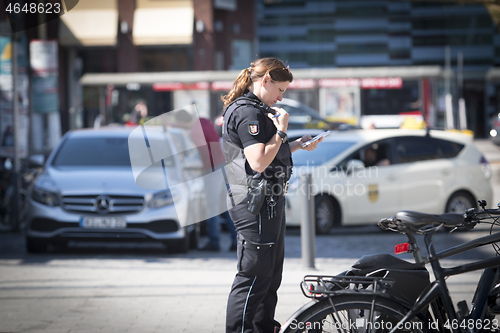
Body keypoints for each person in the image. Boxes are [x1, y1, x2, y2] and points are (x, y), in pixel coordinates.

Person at [221, 57, 322, 333]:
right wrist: (281, 131)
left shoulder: (255, 109)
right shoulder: (247, 112)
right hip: (255, 205)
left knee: (269, 275)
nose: (281, 97)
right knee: (253, 276)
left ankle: (263, 328)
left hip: (266, 202)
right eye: (280, 90)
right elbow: (257, 162)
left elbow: (265, 154)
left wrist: (298, 144)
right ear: (265, 81)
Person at [174, 109, 238, 252]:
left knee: (212, 208)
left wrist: (203, 170)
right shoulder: (203, 121)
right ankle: (236, 241)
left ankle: (214, 242)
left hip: (212, 168)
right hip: (223, 164)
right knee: (226, 206)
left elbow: (204, 154)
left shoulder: (194, 131)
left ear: (182, 121)